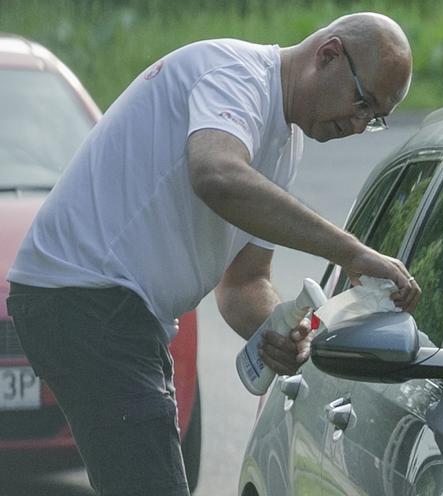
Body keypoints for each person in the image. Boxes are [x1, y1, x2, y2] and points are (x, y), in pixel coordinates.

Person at [6, 11, 420, 496]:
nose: (357, 123)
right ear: (328, 55)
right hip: (84, 297)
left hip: (113, 309)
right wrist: (350, 252)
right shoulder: (235, 75)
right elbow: (216, 175)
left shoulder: (285, 145)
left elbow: (243, 284)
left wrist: (277, 331)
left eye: (374, 119)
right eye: (361, 101)